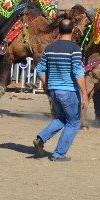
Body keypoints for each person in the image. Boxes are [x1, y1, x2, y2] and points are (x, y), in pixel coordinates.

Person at [32, 19, 88, 161]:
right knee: (74, 122)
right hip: (69, 91)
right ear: (73, 30)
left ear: (59, 30)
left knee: (63, 118)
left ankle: (41, 138)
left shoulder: (50, 48)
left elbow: (40, 68)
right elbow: (78, 72)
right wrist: (85, 94)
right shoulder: (74, 48)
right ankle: (59, 154)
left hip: (54, 90)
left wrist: (46, 84)